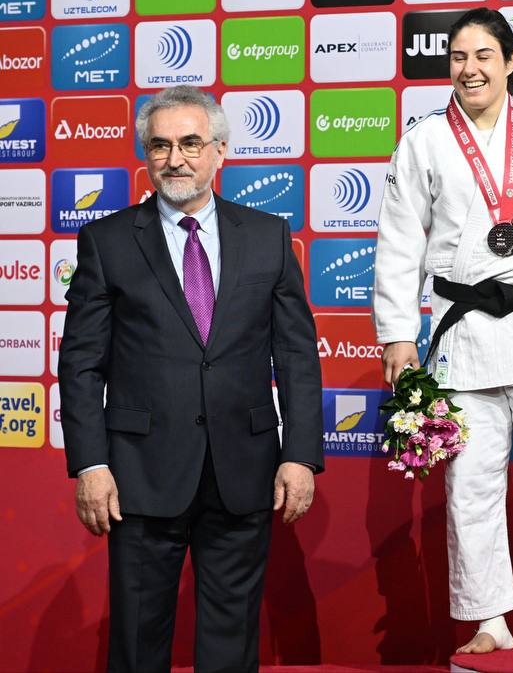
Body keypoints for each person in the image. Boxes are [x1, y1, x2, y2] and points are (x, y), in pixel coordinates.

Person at [59, 85, 323, 673]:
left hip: (244, 468)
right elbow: (80, 363)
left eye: (190, 143)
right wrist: (91, 465)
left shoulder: (268, 235)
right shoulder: (107, 241)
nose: (174, 159)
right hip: (138, 473)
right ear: (145, 154)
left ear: (220, 151)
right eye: (160, 145)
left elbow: (297, 356)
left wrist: (301, 455)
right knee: (136, 641)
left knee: (232, 642)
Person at [373, 8, 513, 656]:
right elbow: (399, 241)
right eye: (459, 57)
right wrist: (397, 333)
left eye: (484, 55)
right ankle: (488, 617)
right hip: (463, 330)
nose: (470, 69)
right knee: (471, 486)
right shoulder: (424, 140)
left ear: (511, 61)